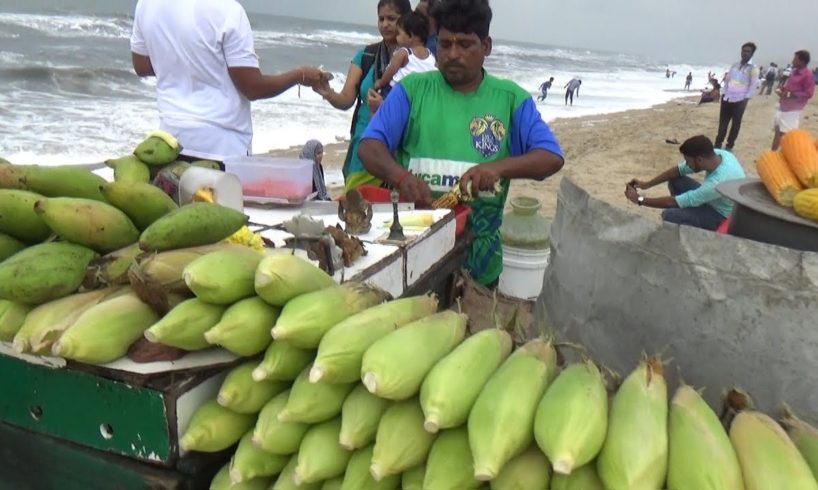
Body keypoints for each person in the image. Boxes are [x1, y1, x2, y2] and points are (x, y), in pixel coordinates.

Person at [357, 0, 564, 287]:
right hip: (413, 255)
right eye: (445, 44)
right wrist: (400, 177)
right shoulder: (413, 90)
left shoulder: (511, 100)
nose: (453, 54)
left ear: (486, 46)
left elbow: (551, 157)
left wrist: (498, 168)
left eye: (465, 44)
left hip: (479, 261)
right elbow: (369, 146)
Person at [130, 0, 328, 166]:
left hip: (169, 142)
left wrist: (189, 63)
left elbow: (142, 65)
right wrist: (299, 75)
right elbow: (252, 88)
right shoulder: (228, 10)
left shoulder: (147, 5)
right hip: (221, 149)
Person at [313, 0, 413, 191]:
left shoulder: (417, 60)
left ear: (406, 20)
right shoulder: (366, 56)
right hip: (363, 152)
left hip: (399, 156)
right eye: (381, 19)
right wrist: (327, 92)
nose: (385, 24)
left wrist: (384, 108)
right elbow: (345, 101)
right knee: (357, 214)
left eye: (391, 19)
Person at [625, 135, 746, 231]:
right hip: (713, 198)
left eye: (688, 161)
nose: (687, 164)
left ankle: (690, 227)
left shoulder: (717, 182)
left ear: (699, 159)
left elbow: (674, 201)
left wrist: (639, 200)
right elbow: (678, 170)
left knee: (670, 215)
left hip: (721, 214)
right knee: (675, 180)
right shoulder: (721, 154)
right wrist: (646, 184)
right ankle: (687, 213)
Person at [372, 12, 437, 92]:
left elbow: (390, 71)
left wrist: (380, 83)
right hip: (420, 94)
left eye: (398, 34)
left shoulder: (404, 53)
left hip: (399, 91)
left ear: (410, 36)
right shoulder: (431, 56)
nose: (396, 37)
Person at [714, 42, 760, 151]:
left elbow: (753, 85)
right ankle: (717, 145)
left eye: (748, 51)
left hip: (740, 100)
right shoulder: (735, 65)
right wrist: (723, 92)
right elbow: (727, 80)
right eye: (743, 51)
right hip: (727, 98)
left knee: (735, 125)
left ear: (752, 54)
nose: (745, 53)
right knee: (722, 124)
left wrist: (746, 98)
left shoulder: (753, 68)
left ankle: (729, 146)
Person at [771, 50, 815, 150]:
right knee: (777, 131)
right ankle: (773, 154)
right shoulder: (793, 72)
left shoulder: (808, 75)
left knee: (785, 134)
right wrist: (782, 90)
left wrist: (791, 95)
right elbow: (789, 87)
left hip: (792, 110)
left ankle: (781, 156)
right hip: (783, 105)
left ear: (802, 61)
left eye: (795, 59)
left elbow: (809, 94)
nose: (792, 61)